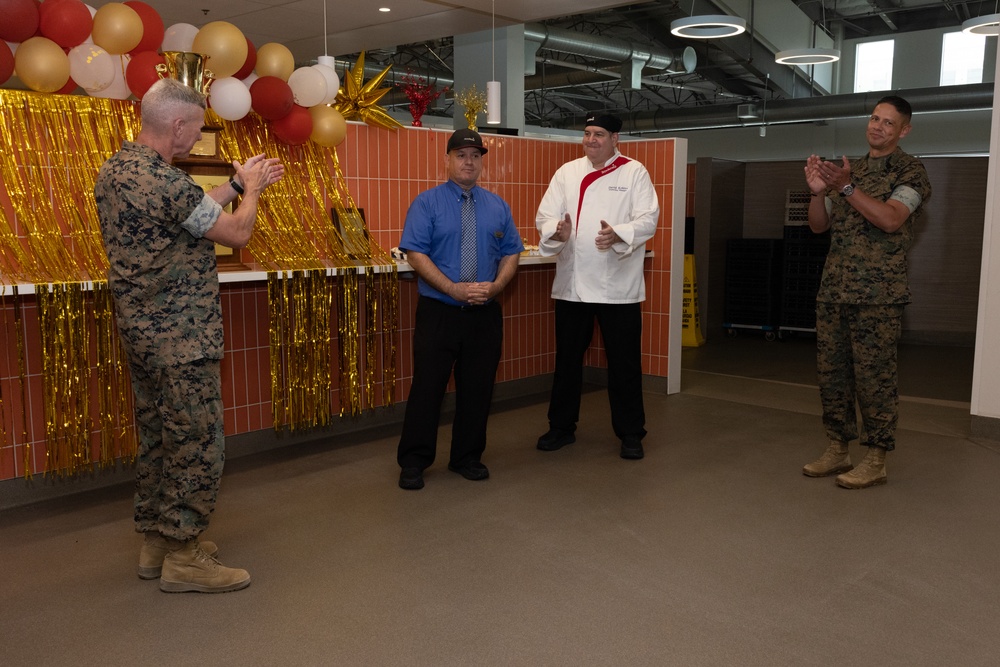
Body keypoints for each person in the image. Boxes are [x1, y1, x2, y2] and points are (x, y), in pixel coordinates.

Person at [94, 78, 284, 592]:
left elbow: (188, 212)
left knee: (158, 435)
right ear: (177, 125)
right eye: (197, 128)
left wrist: (238, 183)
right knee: (196, 440)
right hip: (180, 336)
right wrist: (256, 194)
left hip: (141, 333)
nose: (199, 137)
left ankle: (158, 540)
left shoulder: (119, 169)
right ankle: (184, 554)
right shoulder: (164, 180)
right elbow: (235, 232)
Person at [802, 95, 931, 489]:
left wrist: (845, 188)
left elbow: (891, 219)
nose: (878, 126)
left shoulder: (911, 172)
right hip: (835, 289)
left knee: (875, 377)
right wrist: (817, 192)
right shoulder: (849, 169)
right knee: (832, 375)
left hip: (879, 293)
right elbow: (817, 227)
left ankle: (876, 458)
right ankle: (838, 448)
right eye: (875, 118)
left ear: (903, 130)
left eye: (888, 123)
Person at [396, 128, 523, 490]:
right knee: (427, 388)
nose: (469, 162)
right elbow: (416, 254)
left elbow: (513, 251)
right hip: (440, 312)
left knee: (478, 388)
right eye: (461, 155)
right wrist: (453, 288)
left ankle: (467, 457)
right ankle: (414, 461)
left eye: (476, 156)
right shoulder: (427, 203)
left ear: (482, 161)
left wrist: (497, 286)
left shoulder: (497, 205)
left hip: (484, 314)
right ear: (448, 160)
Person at [534, 113, 659, 460]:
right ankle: (561, 427)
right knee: (567, 360)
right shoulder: (567, 172)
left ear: (615, 138)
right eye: (587, 133)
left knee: (624, 363)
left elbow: (648, 218)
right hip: (573, 285)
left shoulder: (634, 172)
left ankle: (631, 433)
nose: (591, 139)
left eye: (599, 134)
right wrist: (556, 231)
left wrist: (618, 233)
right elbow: (545, 215)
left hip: (616, 286)